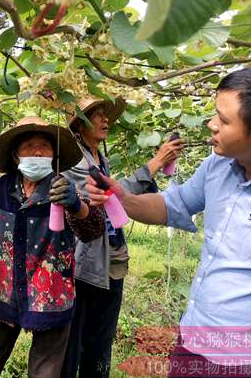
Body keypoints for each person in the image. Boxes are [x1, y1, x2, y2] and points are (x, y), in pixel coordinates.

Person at [85, 67, 251, 378]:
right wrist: (122, 197)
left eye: (224, 120)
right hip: (194, 343)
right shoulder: (219, 164)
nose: (211, 124)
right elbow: (172, 205)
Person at [0, 116, 108, 378]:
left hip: (50, 296)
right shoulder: (2, 187)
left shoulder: (63, 188)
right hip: (3, 291)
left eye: (44, 146)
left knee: (45, 373)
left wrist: (77, 206)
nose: (38, 151)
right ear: (17, 155)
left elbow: (93, 230)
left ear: (54, 155)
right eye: (29, 146)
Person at [61, 97, 183, 378]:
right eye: (97, 115)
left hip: (111, 264)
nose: (106, 120)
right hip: (85, 268)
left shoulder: (99, 157)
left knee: (99, 344)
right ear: (80, 124)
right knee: (74, 346)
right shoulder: (75, 159)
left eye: (106, 115)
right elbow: (107, 195)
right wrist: (154, 163)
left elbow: (116, 196)